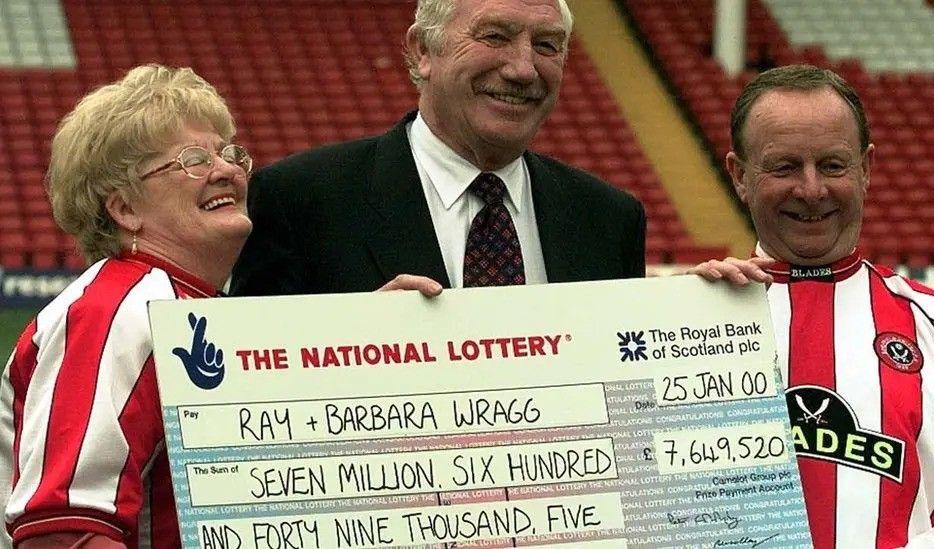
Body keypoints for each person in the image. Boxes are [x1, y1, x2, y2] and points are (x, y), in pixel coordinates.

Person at [694, 65, 934, 548]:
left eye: (832, 165)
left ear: (865, 169)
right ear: (739, 175)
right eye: (784, 167)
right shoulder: (685, 322)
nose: (811, 190)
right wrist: (679, 313)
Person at [229, 0, 647, 297]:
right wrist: (352, 351)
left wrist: (702, 316)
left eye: (547, 45)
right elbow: (248, 391)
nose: (523, 68)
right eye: (495, 36)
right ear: (422, 51)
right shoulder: (297, 201)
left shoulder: (610, 220)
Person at [0, 65, 253, 548]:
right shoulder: (117, 309)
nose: (227, 170)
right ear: (125, 209)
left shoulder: (187, 305)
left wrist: (382, 334)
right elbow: (64, 530)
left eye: (228, 153)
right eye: (193, 159)